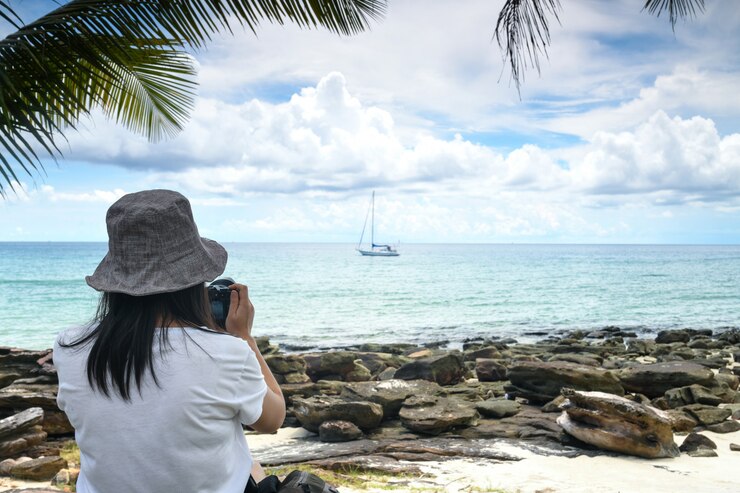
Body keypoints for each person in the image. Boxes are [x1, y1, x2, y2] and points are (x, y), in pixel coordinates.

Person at [53, 189, 285, 493]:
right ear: (193, 282)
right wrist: (243, 337)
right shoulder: (226, 353)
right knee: (250, 464)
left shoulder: (70, 346)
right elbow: (273, 419)